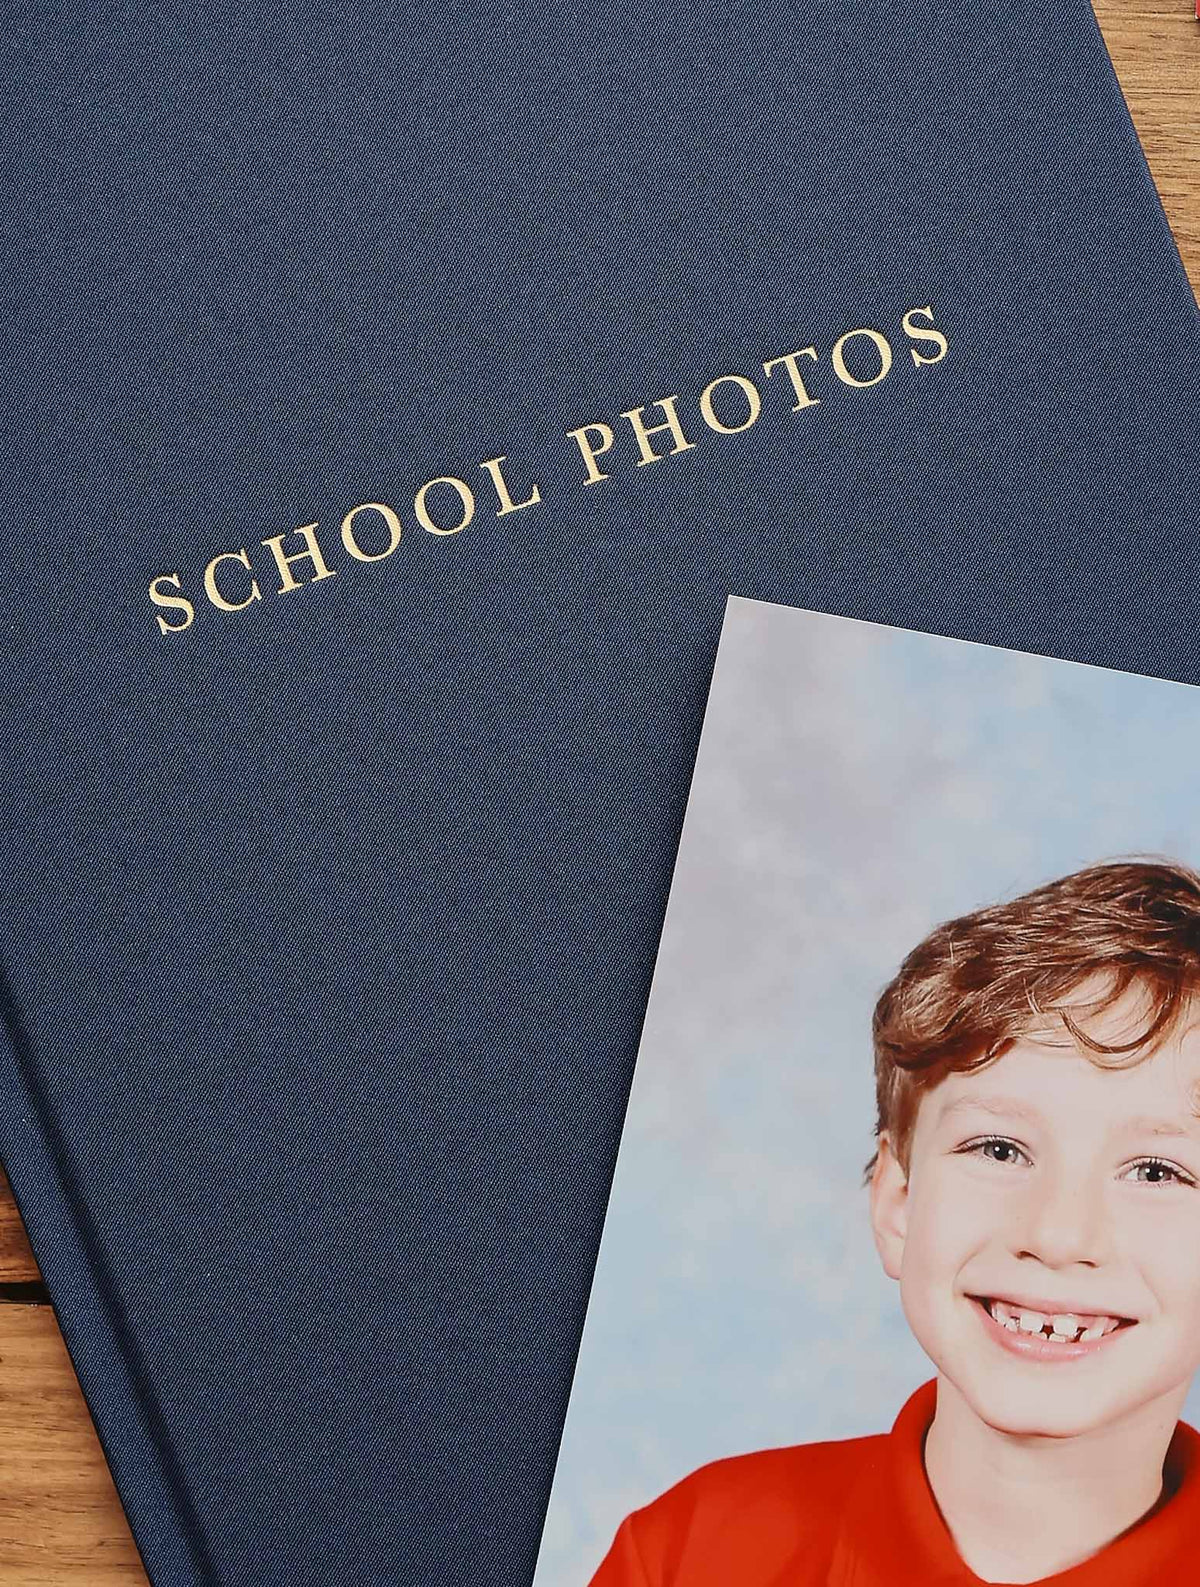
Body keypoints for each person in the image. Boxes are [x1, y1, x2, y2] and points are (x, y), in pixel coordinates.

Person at [588, 859, 1200, 1585]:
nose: (1059, 1236)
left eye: (1157, 1171)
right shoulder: (689, 1552)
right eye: (999, 1148)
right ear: (897, 1201)